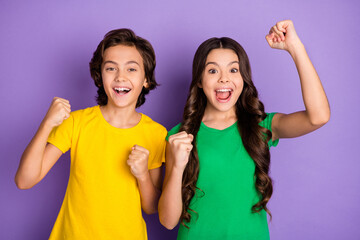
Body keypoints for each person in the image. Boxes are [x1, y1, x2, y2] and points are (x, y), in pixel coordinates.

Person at [158, 20, 330, 239]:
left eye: (233, 69)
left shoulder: (262, 126)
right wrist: (177, 168)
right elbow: (168, 220)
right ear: (200, 81)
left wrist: (295, 47)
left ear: (243, 78)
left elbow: (319, 117)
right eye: (212, 70)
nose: (224, 78)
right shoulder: (179, 137)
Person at [15, 29, 167, 239]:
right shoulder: (77, 123)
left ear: (146, 80)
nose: (120, 77)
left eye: (131, 69)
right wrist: (47, 124)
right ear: (99, 77)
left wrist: (142, 175)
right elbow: (25, 180)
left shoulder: (156, 133)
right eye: (111, 68)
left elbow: (151, 207)